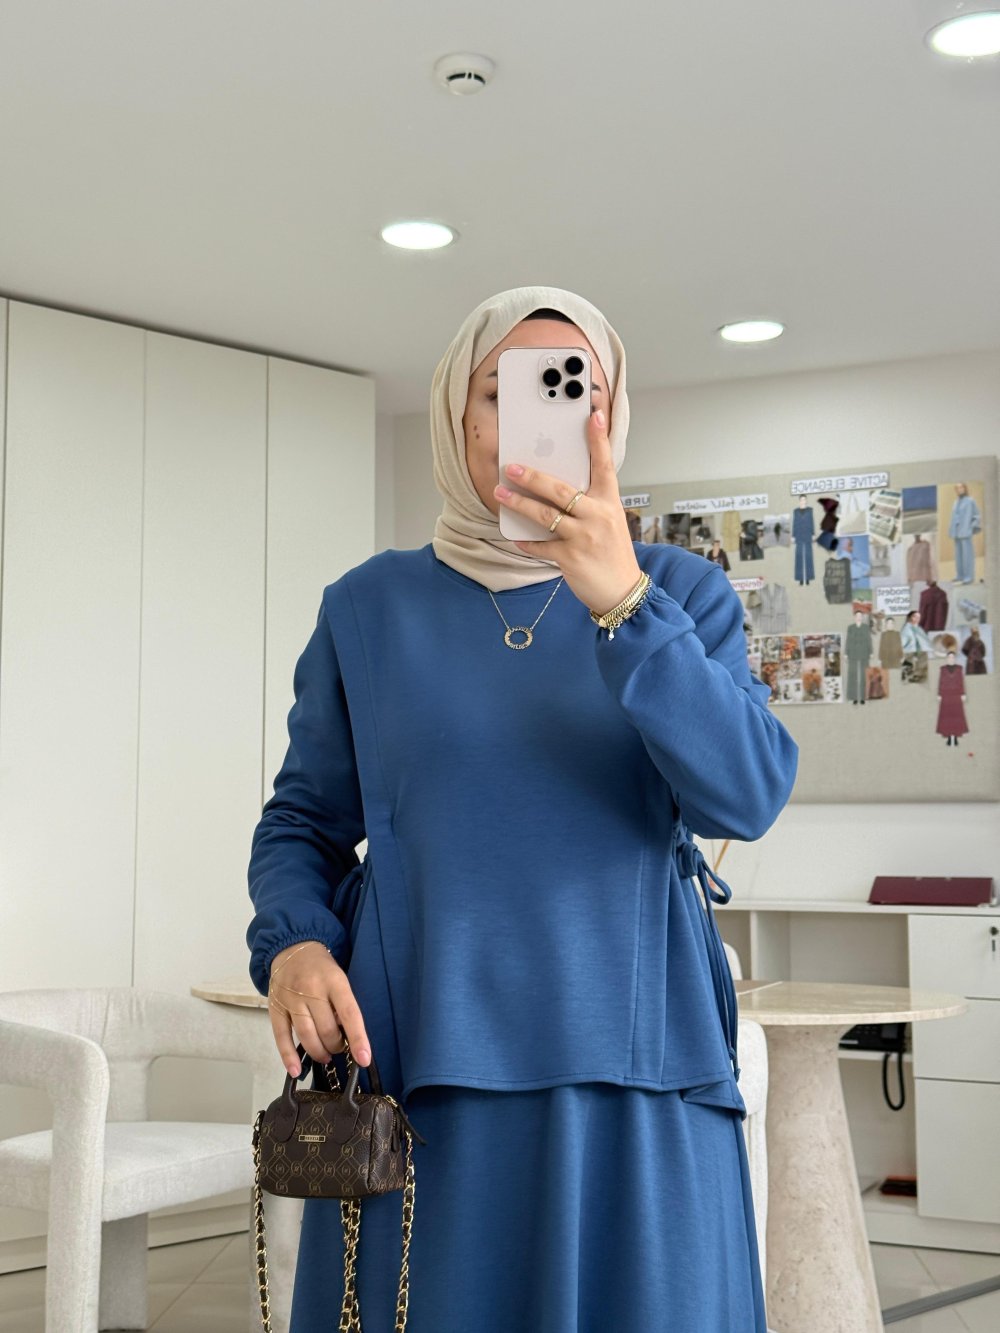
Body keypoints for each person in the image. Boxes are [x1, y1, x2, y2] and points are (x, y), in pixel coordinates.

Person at [245, 286, 799, 1333]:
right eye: (501, 394)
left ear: (609, 420)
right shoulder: (367, 607)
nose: (534, 422)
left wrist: (623, 602)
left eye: (569, 393)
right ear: (457, 419)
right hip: (424, 1074)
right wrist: (295, 943)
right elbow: (301, 824)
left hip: (640, 1072)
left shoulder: (679, 591)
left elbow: (747, 790)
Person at [948, 482, 981, 584]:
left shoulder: (970, 501)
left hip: (965, 531)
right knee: (958, 556)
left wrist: (970, 527)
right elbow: (954, 517)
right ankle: (960, 575)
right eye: (957, 488)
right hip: (957, 532)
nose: (959, 490)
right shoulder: (955, 502)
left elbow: (977, 516)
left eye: (961, 487)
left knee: (967, 556)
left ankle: (969, 577)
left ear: (965, 488)